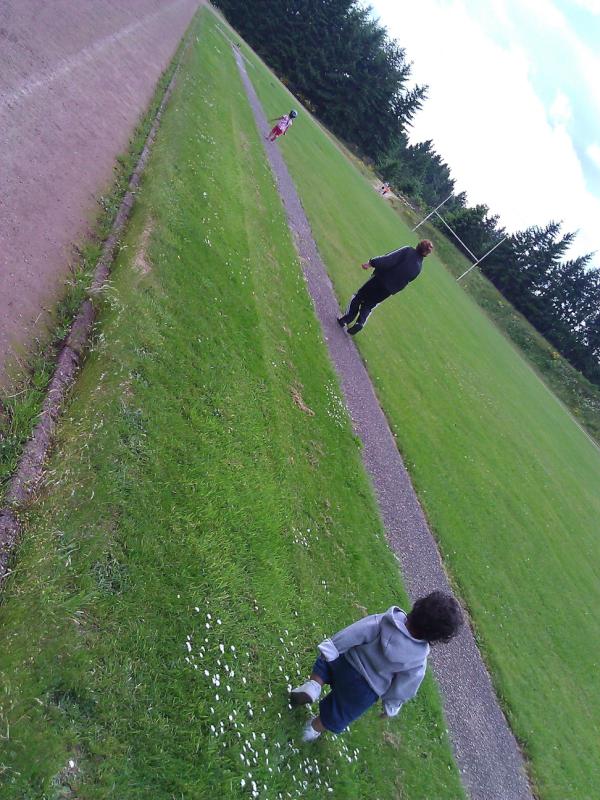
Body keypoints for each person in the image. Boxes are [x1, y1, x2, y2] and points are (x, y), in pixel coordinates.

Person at [289, 591, 463, 742]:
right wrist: (390, 706)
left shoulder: (385, 621)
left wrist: (332, 647)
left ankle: (314, 686)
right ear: (436, 637)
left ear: (418, 605)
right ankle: (311, 730)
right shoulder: (418, 660)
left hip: (347, 663)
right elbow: (404, 688)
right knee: (339, 712)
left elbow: (356, 632)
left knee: (325, 666)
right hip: (366, 690)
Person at [337, 239, 433, 335]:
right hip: (388, 290)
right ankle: (360, 323)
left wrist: (371, 263)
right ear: (426, 254)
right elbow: (407, 280)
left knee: (359, 296)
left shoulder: (407, 250)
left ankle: (346, 319)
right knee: (369, 305)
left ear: (418, 245)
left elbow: (389, 259)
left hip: (379, 279)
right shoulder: (419, 267)